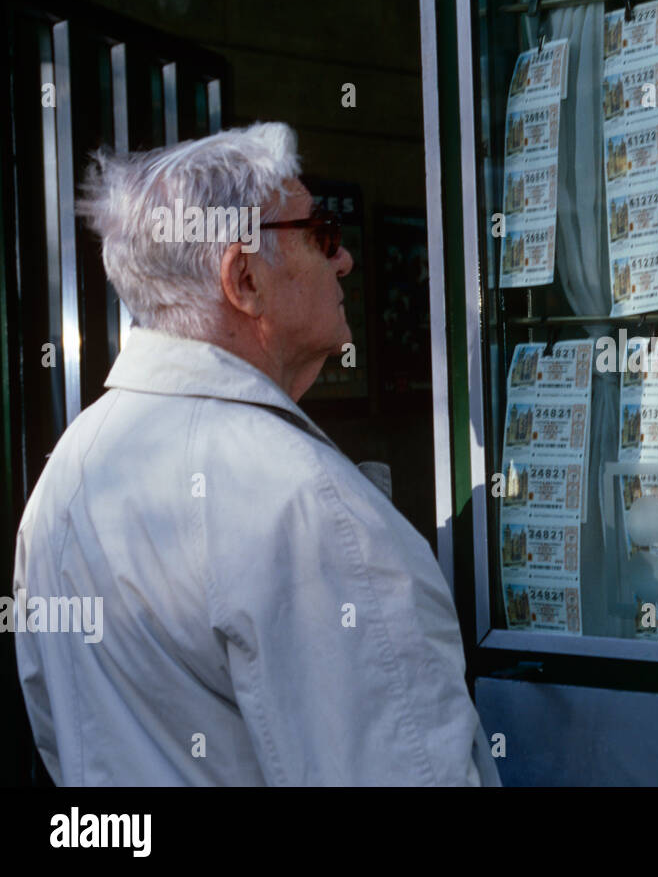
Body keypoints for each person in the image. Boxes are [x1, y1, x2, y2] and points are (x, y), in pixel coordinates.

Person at [12, 122, 499, 786]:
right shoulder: (304, 501)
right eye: (322, 235)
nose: (345, 260)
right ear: (244, 279)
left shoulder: (64, 478)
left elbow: (57, 733)